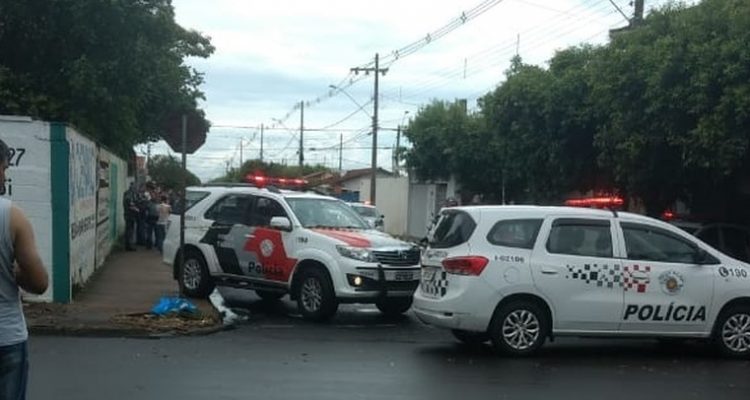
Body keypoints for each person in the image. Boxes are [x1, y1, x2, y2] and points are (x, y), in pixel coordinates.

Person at [0, 138, 49, 400]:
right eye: (4, 168)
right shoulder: (11, 216)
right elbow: (40, 283)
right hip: (5, 336)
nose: (5, 175)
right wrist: (17, 274)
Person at [122, 182, 138, 251]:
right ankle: (128, 246)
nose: (135, 188)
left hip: (130, 214)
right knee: (129, 231)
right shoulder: (129, 194)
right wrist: (137, 209)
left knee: (130, 230)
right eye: (134, 186)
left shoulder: (130, 193)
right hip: (129, 215)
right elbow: (130, 204)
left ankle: (129, 245)